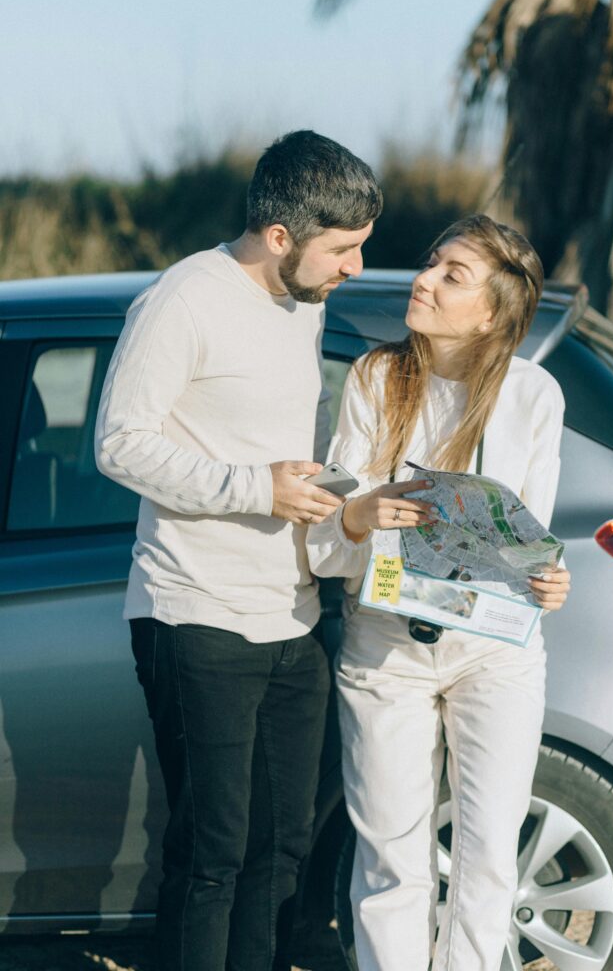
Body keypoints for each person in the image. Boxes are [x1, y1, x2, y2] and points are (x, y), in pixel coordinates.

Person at [94, 129, 382, 971]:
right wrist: (255, 488)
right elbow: (118, 444)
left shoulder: (305, 302)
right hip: (196, 614)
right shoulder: (181, 300)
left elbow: (281, 437)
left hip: (293, 616)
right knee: (213, 852)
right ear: (281, 236)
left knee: (282, 848)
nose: (356, 268)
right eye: (345, 250)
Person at [306, 214, 571, 971]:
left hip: (494, 652)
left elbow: (529, 539)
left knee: (487, 857)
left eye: (451, 274)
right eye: (433, 262)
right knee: (392, 857)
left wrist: (548, 581)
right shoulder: (375, 379)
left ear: (491, 311)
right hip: (385, 645)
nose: (422, 278)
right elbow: (329, 535)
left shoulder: (533, 397)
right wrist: (356, 514)